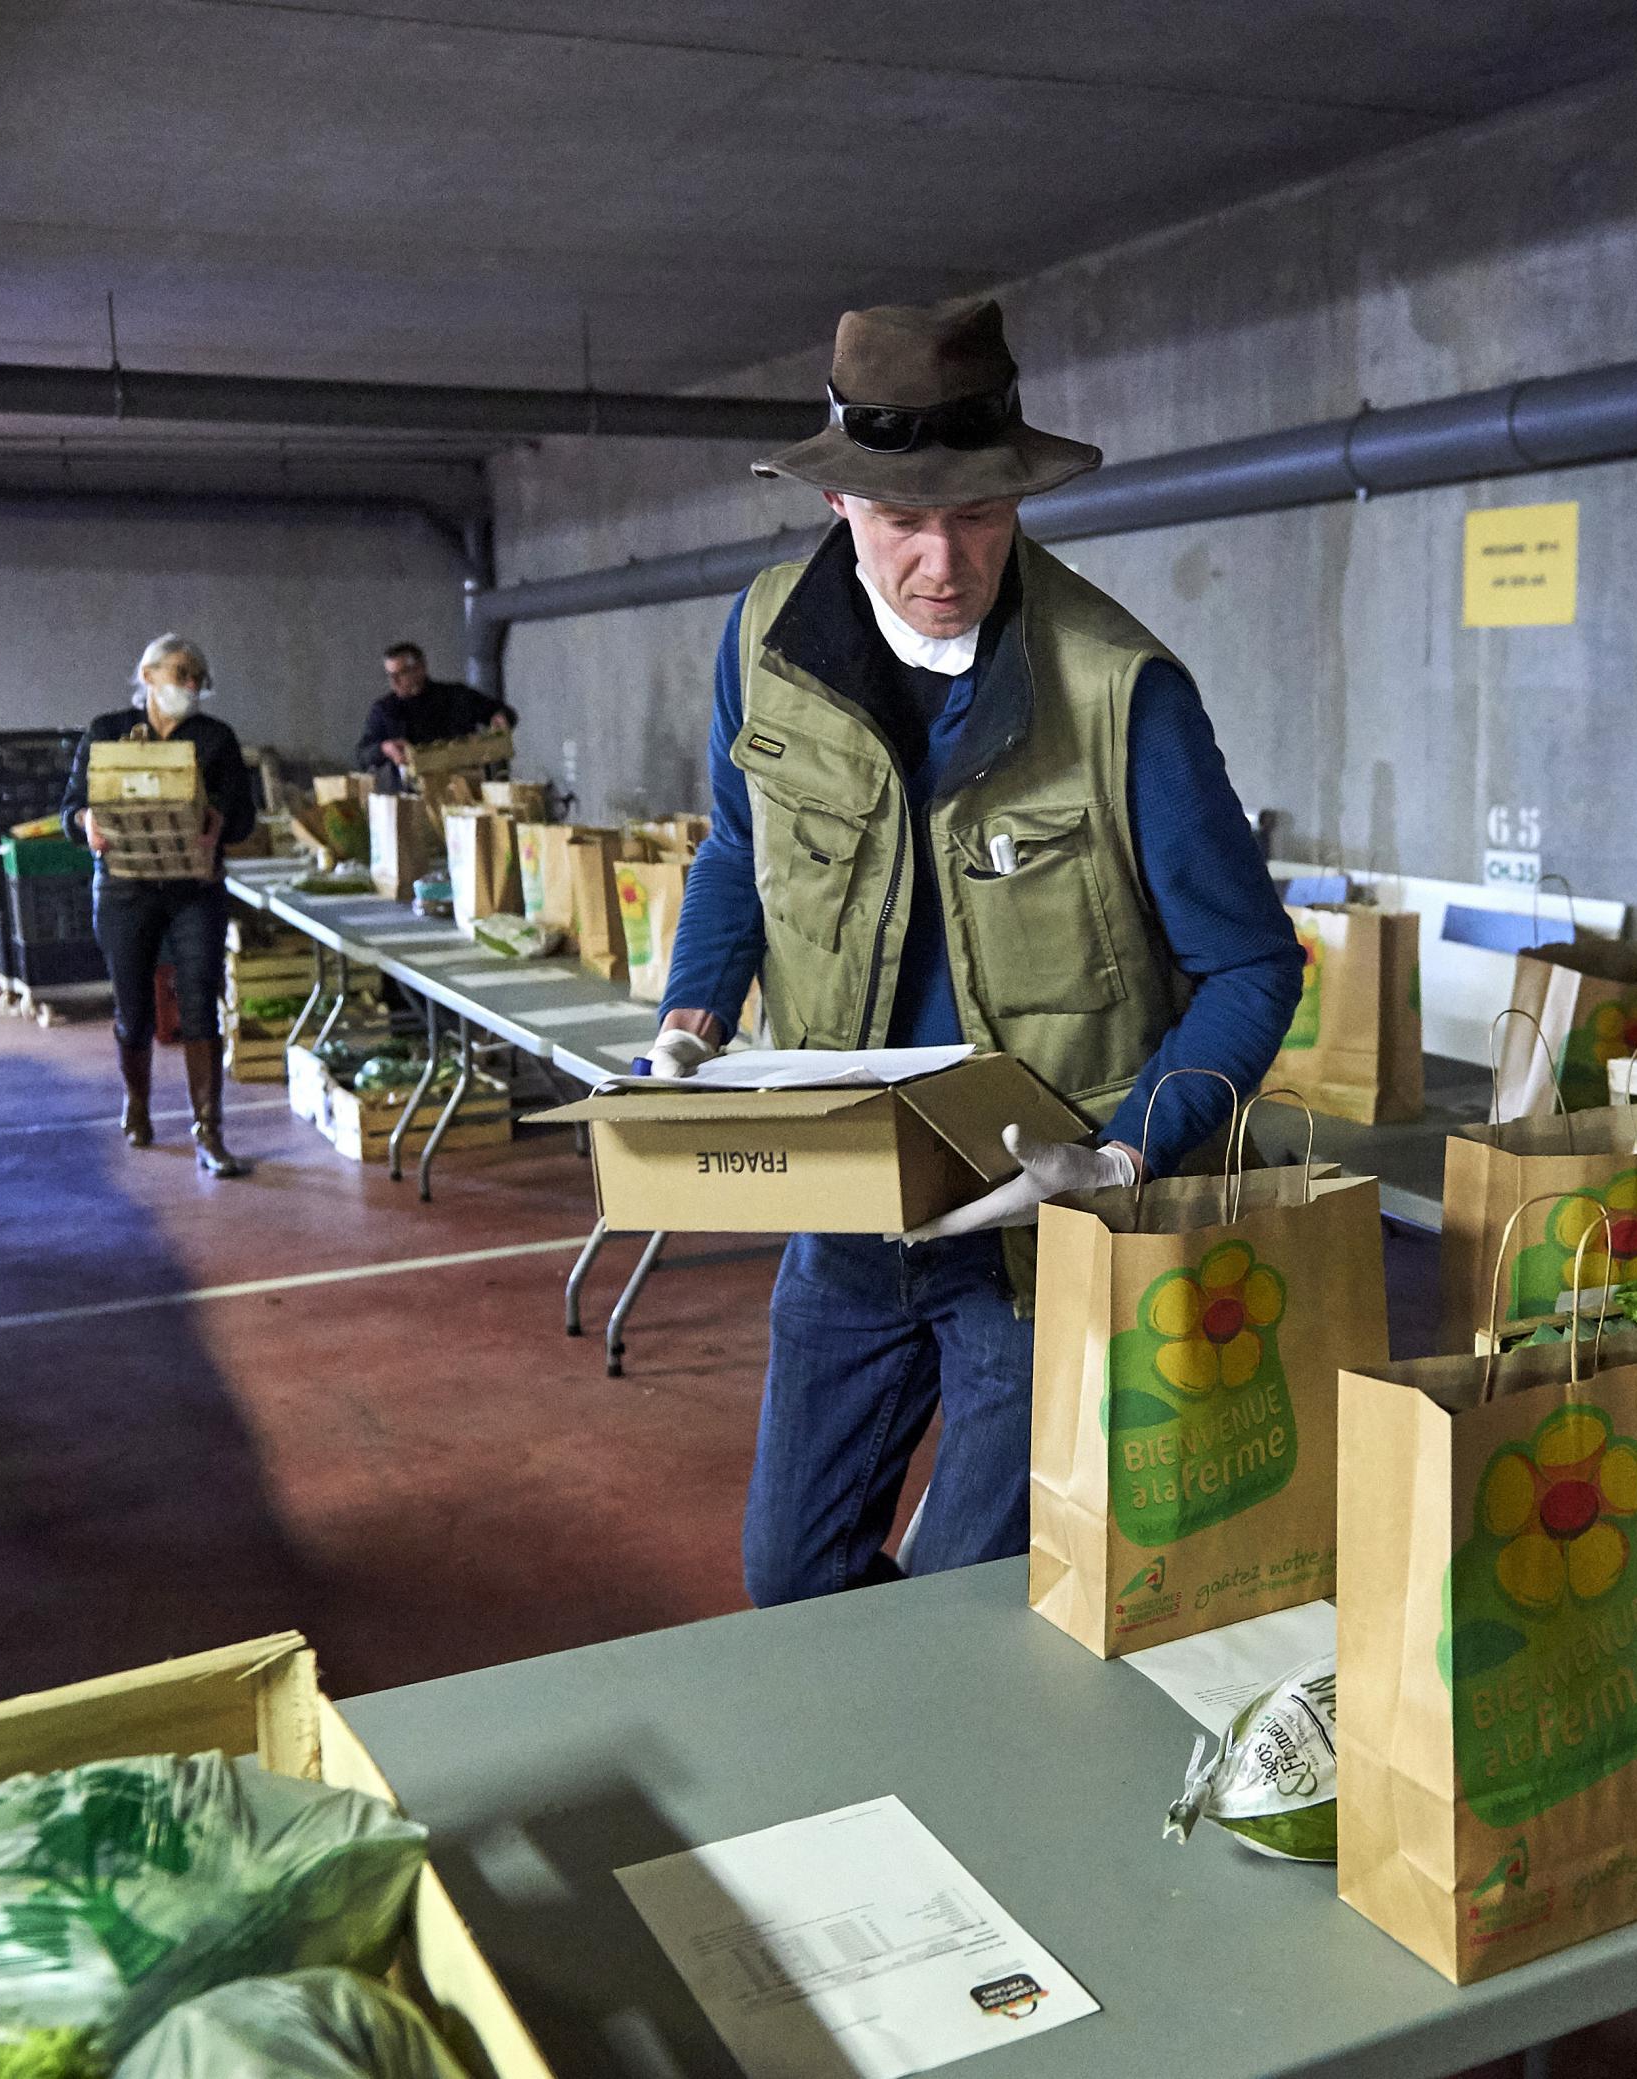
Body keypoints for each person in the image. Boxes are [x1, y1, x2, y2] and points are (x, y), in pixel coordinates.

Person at [650, 296, 1304, 1606]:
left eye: (979, 517)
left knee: (966, 1601)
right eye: (905, 521)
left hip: (1031, 1236)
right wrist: (695, 1010)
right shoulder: (764, 645)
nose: (943, 560)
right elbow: (739, 843)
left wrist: (1122, 1153)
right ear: (841, 505)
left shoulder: (1124, 692)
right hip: (846, 1202)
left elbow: (1252, 966)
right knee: (790, 1577)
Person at [61, 633, 261, 1177]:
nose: (192, 684)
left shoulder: (216, 739)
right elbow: (71, 809)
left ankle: (209, 1132)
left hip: (195, 890)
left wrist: (219, 821)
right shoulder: (106, 733)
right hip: (125, 888)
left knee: (199, 1004)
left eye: (199, 676)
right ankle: (138, 1104)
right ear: (148, 675)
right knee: (134, 1007)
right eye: (181, 672)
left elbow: (244, 818)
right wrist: (87, 823)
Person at [356, 641, 515, 779]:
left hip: (465, 785)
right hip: (413, 795)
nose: (394, 682)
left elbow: (503, 712)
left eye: (401, 673)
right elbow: (362, 755)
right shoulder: (385, 709)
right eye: (390, 675)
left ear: (420, 668)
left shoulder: (457, 696)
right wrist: (384, 748)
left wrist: (501, 718)